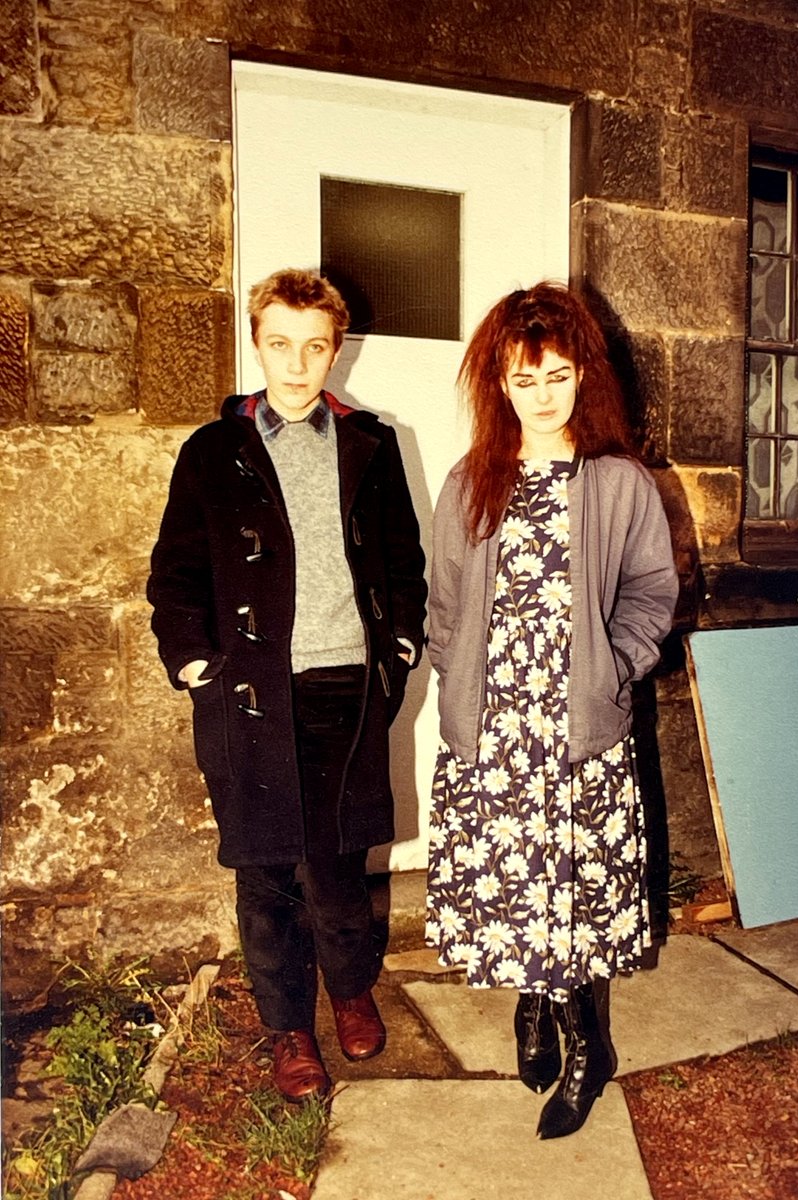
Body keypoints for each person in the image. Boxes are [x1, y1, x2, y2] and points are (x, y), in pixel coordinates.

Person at [148, 268, 427, 1104]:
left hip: (348, 683)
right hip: (250, 694)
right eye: (280, 345)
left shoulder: (370, 445)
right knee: (267, 866)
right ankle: (289, 1027)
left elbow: (403, 562)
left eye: (314, 347)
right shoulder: (212, 452)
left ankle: (350, 988)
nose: (297, 364)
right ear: (257, 345)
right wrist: (195, 663)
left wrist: (399, 647)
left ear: (335, 350)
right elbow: (175, 574)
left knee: (339, 859)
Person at [425, 281, 677, 1139]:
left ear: (583, 377)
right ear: (499, 383)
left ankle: (585, 1049)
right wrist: (461, 678)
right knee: (517, 882)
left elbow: (651, 591)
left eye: (557, 376)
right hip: (495, 727)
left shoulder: (618, 482)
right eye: (524, 379)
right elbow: (444, 605)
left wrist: (616, 669)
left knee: (572, 886)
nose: (542, 396)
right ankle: (533, 1003)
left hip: (579, 728)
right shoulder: (470, 482)